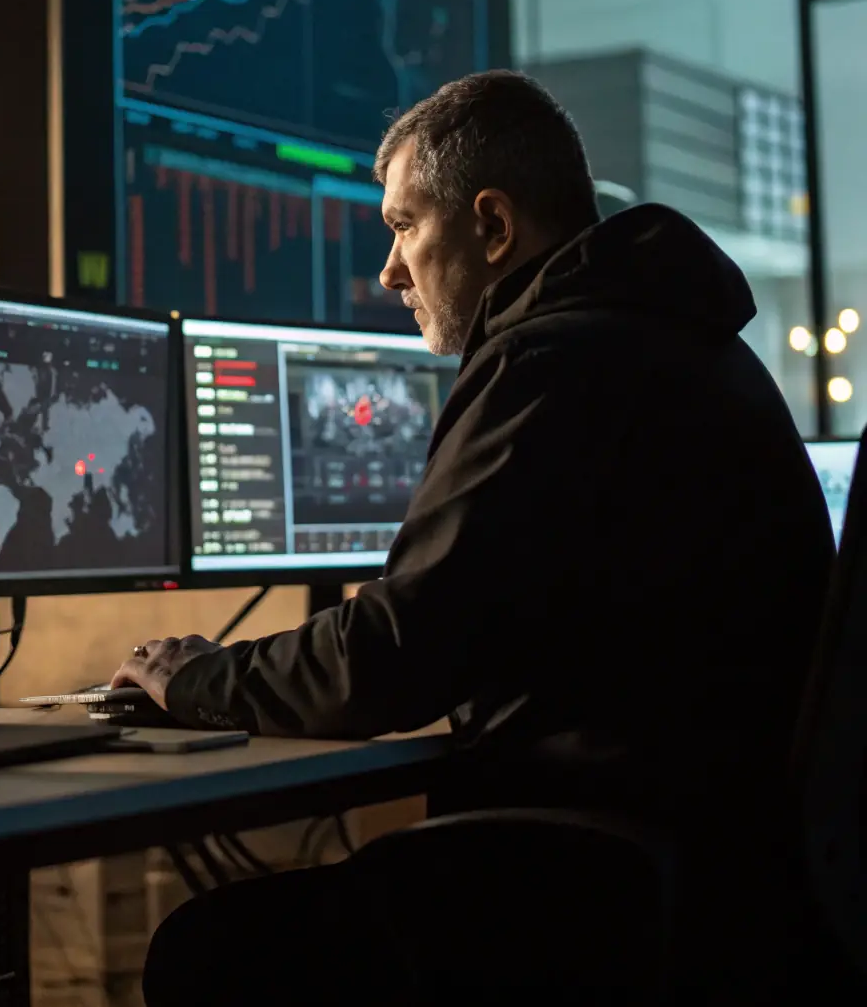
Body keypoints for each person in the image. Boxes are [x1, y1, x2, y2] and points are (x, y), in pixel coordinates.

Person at [115, 71, 833, 1003]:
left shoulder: (550, 363)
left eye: (404, 225)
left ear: (492, 227)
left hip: (596, 878)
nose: (390, 270)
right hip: (718, 870)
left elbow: (397, 651)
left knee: (208, 948)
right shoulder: (685, 343)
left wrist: (196, 679)